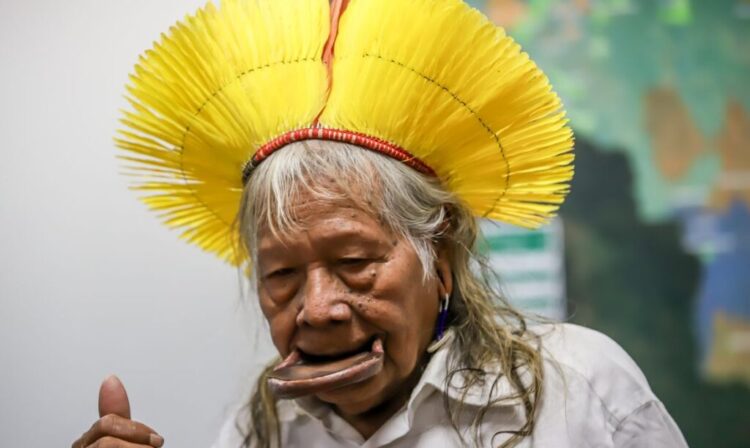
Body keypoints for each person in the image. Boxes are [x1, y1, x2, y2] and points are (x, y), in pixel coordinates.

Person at [72, 0, 688, 446]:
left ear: (439, 257)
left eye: (354, 262)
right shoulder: (256, 431)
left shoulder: (576, 391)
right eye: (281, 272)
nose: (316, 309)